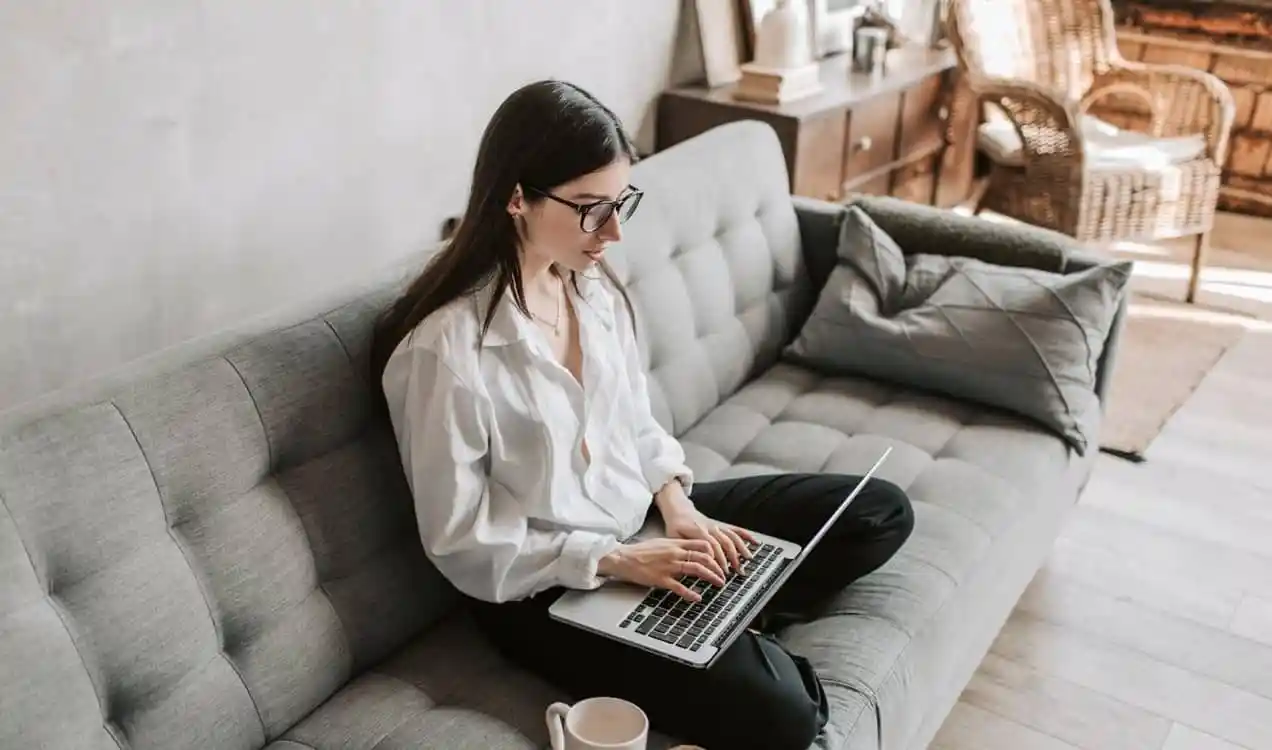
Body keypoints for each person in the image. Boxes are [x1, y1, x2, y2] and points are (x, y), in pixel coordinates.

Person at [371, 79, 914, 750]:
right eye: (593, 209)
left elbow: (636, 424)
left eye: (621, 202)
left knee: (878, 512)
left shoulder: (590, 288)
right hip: (547, 589)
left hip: (647, 523)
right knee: (788, 717)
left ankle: (725, 613)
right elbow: (462, 541)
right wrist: (618, 561)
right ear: (517, 197)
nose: (615, 231)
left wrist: (679, 505)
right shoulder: (445, 352)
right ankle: (728, 624)